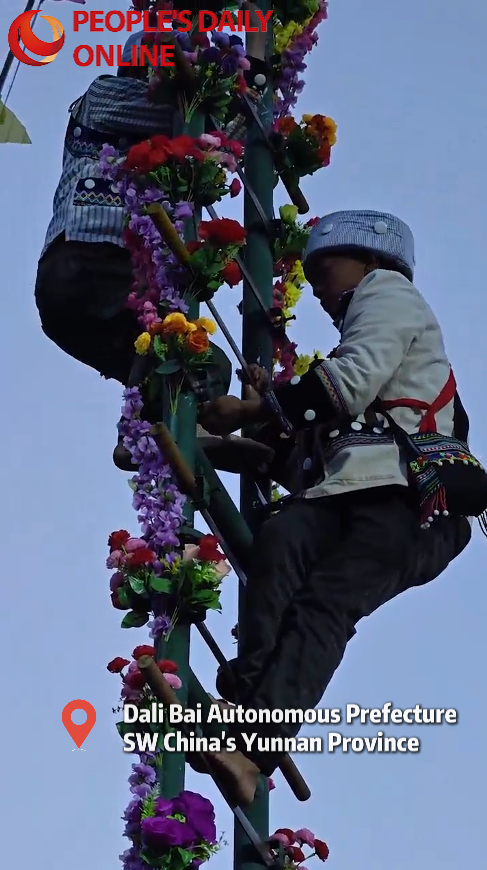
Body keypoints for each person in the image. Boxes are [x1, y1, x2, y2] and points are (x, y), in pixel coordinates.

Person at [196, 209, 474, 805]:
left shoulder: (389, 293)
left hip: (414, 500)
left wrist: (251, 412)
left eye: (326, 269)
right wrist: (201, 442)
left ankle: (251, 746)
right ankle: (247, 712)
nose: (319, 287)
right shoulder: (364, 361)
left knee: (326, 602)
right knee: (281, 540)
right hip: (353, 491)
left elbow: (347, 382)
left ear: (370, 262)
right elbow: (285, 461)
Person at [34, 4, 273, 475]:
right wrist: (255, 72)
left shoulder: (164, 135)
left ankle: (149, 435)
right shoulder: (107, 95)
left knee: (189, 361)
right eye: (162, 70)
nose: (165, 81)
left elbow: (218, 131)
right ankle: (175, 431)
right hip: (88, 262)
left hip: (95, 288)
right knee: (181, 343)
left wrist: (257, 78)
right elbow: (204, 124)